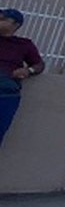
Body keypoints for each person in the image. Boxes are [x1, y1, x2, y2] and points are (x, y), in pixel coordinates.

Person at [1, 8, 45, 146]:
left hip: (6, 94)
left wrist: (28, 70)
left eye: (2, 19)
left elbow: (39, 64)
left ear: (15, 25)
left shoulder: (23, 44)